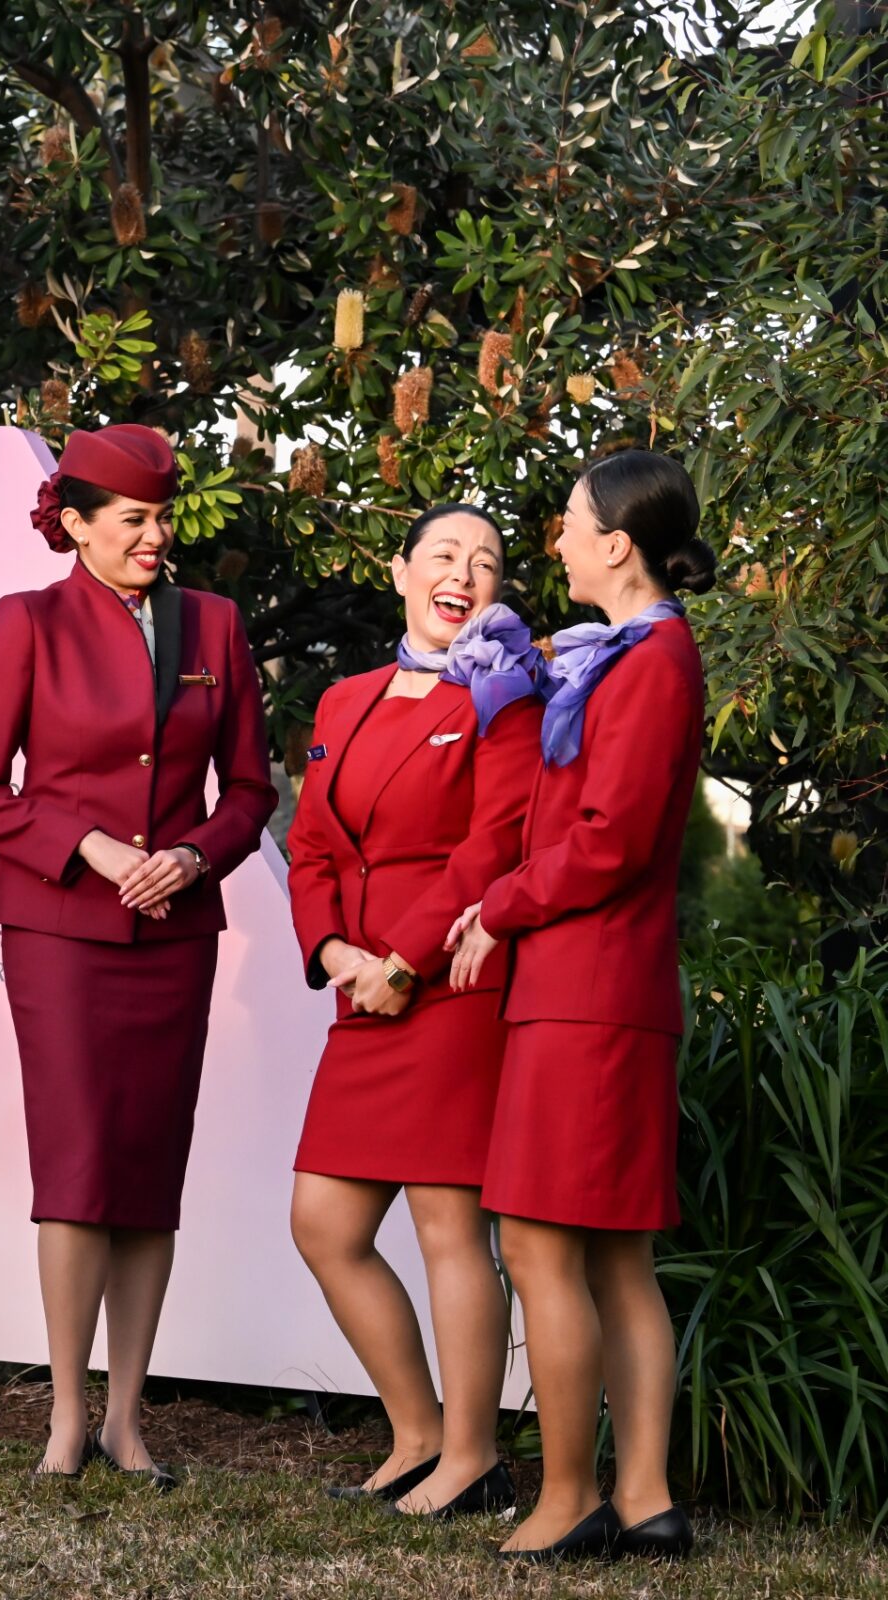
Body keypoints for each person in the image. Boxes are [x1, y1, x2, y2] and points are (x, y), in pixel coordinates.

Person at [0, 424, 276, 1486]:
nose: (153, 535)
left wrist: (191, 853)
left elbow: (252, 793)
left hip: (173, 937)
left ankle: (128, 1418)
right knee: (77, 1169)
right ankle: (62, 1411)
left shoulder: (213, 626)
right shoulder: (25, 622)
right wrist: (81, 844)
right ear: (76, 524)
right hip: (60, 933)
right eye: (130, 519)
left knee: (146, 1171)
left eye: (161, 517)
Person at [446, 449, 717, 1563]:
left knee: (544, 1244)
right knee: (612, 1258)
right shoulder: (620, 657)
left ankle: (567, 1499)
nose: (550, 541)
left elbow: (605, 841)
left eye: (564, 523)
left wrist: (497, 907)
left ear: (616, 543)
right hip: (598, 988)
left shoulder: (651, 661)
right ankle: (644, 1498)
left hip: (586, 990)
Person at [285, 505, 543, 1519]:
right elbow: (309, 843)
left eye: (485, 561)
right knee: (323, 1223)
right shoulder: (342, 699)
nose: (464, 572)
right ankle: (417, 1432)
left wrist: (402, 959)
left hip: (446, 984)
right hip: (359, 986)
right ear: (400, 569)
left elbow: (491, 847)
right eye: (444, 553)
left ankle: (472, 1456)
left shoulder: (501, 698)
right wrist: (337, 951)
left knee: (447, 1230)